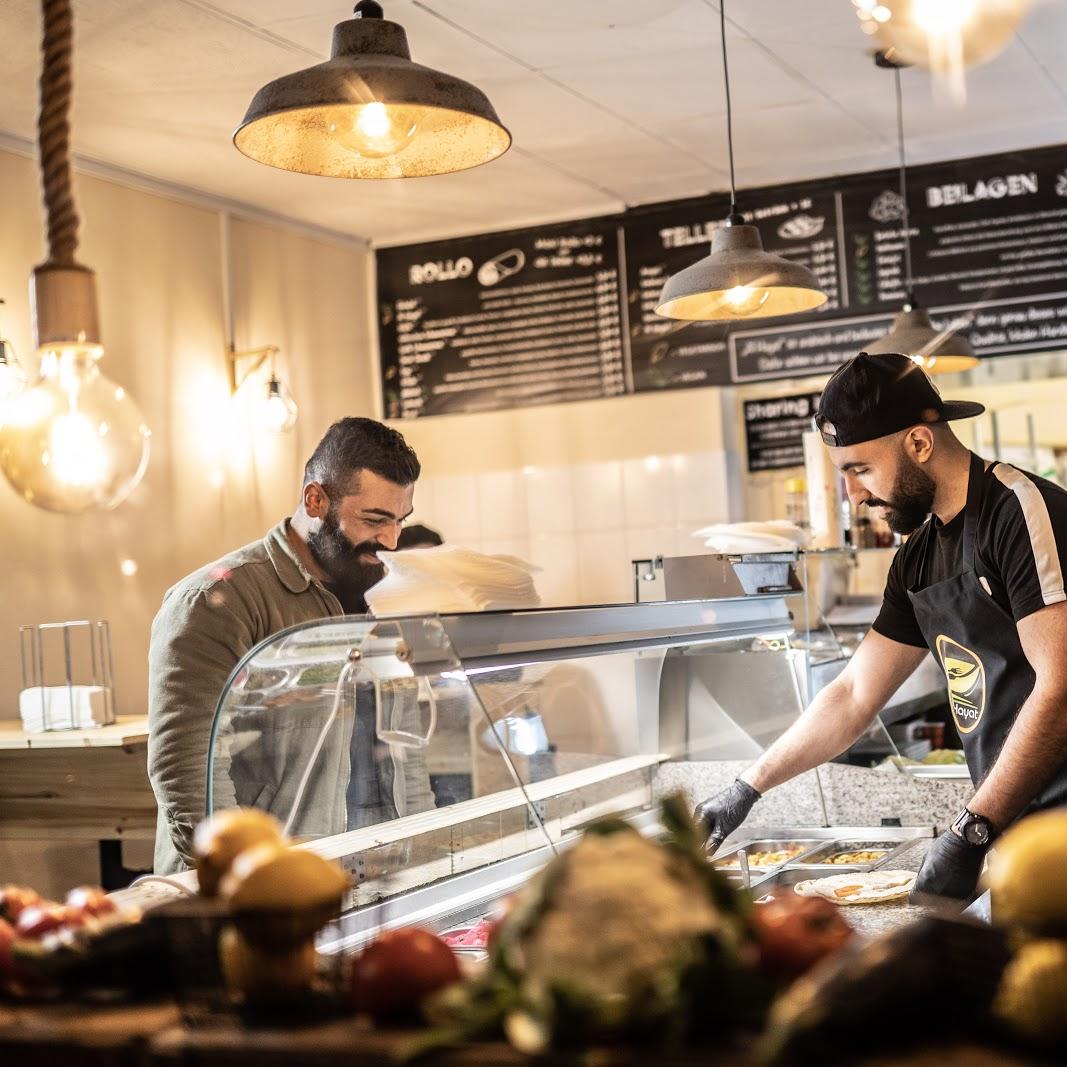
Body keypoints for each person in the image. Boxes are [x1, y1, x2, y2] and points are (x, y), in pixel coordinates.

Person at [695, 352, 1067, 902]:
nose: (856, 496)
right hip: (1017, 825)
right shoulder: (917, 556)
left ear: (919, 444)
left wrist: (971, 830)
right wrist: (747, 788)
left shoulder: (1018, 510)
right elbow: (851, 694)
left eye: (860, 469)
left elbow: (1059, 686)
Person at [148, 417, 431, 874]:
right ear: (315, 500)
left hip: (364, 879)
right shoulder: (216, 601)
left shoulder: (379, 597)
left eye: (400, 521)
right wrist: (248, 882)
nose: (391, 541)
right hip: (259, 888)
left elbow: (405, 751)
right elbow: (187, 771)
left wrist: (424, 855)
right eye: (374, 520)